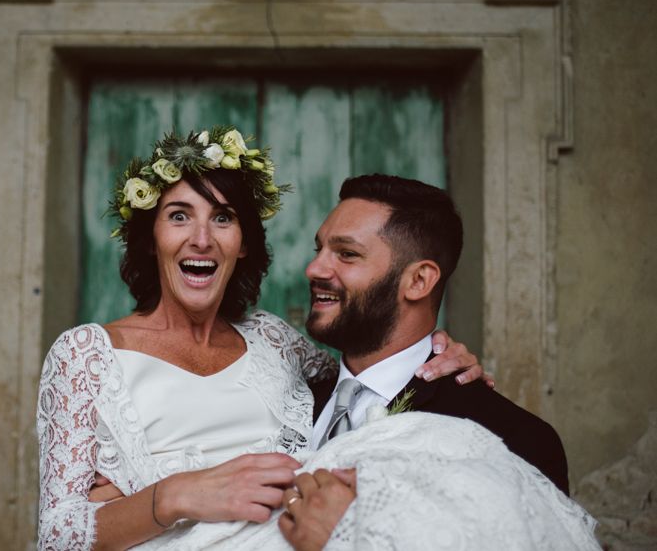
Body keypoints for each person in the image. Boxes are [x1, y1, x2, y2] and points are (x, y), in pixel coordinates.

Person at [36, 129, 482, 551]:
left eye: (223, 218)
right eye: (178, 217)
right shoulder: (86, 355)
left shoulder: (274, 340)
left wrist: (438, 352)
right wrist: (168, 496)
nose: (202, 239)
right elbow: (56, 535)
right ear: (152, 239)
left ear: (243, 243)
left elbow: (367, 384)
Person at [277, 174, 593, 550]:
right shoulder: (281, 395)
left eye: (346, 254)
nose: (314, 269)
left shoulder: (514, 438)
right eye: (319, 250)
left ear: (419, 280)